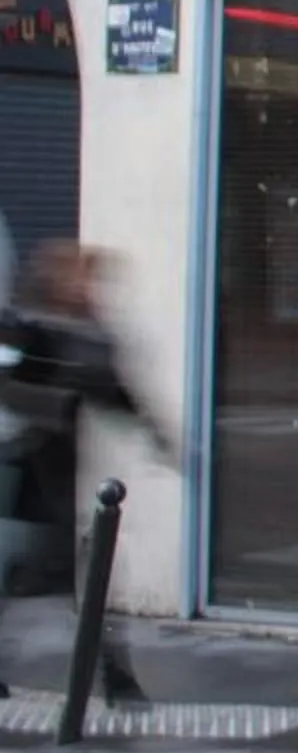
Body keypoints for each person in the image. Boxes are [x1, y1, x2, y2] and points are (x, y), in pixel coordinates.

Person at [0, 241, 169, 705]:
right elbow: (7, 389)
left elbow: (116, 391)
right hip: (18, 469)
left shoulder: (92, 333)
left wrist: (159, 436)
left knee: (90, 579)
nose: (94, 288)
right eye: (85, 278)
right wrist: (60, 404)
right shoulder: (23, 328)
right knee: (43, 578)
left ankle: (116, 676)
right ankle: (116, 678)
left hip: (59, 476)